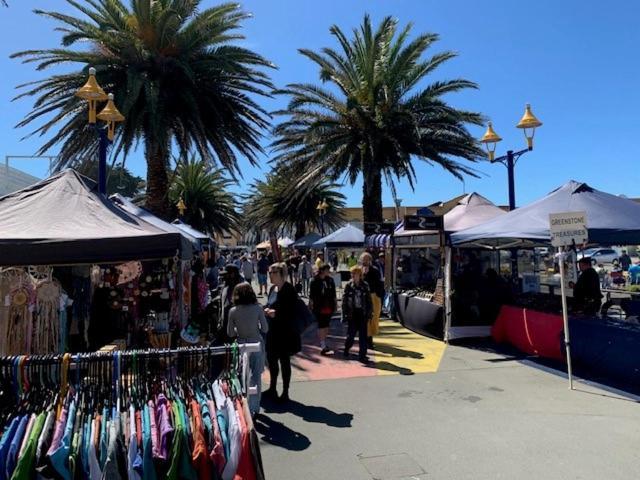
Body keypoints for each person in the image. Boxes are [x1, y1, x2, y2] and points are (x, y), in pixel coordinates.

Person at [227, 282, 268, 416]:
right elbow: (265, 328)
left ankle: (241, 404)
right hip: (255, 343)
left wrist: (238, 329)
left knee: (240, 375)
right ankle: (254, 407)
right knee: (255, 376)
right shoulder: (258, 308)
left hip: (241, 345)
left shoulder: (233, 311)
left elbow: (230, 333)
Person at [263, 262, 301, 403]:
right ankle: (273, 388)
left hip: (286, 332)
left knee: (285, 362)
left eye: (272, 273)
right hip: (272, 331)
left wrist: (276, 313)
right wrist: (267, 309)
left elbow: (291, 312)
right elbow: (269, 304)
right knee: (272, 361)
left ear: (280, 274)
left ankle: (285, 391)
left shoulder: (289, 289)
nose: (270, 276)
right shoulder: (273, 288)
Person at [342, 265, 373, 364]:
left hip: (362, 313)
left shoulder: (365, 285)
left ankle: (362, 356)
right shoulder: (348, 285)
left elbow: (369, 300)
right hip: (352, 313)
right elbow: (344, 301)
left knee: (363, 336)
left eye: (356, 274)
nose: (354, 276)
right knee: (350, 335)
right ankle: (347, 348)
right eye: (352, 274)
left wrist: (369, 312)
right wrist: (344, 315)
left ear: (360, 275)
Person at [309, 264, 337, 355]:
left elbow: (333, 294)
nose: (328, 272)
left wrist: (335, 304)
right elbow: (312, 295)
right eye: (327, 270)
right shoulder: (315, 281)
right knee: (321, 324)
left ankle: (324, 342)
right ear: (322, 270)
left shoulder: (330, 280)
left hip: (329, 305)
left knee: (326, 325)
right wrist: (311, 304)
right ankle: (322, 344)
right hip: (319, 306)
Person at [360, 252, 383, 349]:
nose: (365, 261)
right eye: (363, 259)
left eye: (367, 259)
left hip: (374, 296)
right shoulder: (359, 270)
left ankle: (370, 337)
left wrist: (379, 295)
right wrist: (364, 274)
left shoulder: (375, 270)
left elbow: (378, 283)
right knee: (365, 319)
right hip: (363, 297)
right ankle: (367, 340)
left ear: (370, 260)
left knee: (374, 317)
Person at [219, 264, 243, 342]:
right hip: (224, 327)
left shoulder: (241, 289)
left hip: (236, 331)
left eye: (226, 275)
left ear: (232, 275)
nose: (223, 277)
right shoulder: (225, 287)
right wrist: (220, 320)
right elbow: (222, 305)